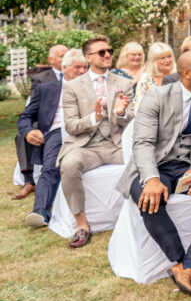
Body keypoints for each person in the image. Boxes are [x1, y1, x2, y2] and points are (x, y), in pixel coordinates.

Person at [115, 50, 191, 295]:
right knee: (148, 197)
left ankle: (190, 264)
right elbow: (143, 143)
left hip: (190, 165)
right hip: (154, 166)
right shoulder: (156, 97)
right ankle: (180, 261)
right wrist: (152, 179)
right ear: (185, 73)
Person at [58, 36, 135, 249]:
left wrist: (120, 114)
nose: (108, 54)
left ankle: (138, 215)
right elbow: (71, 126)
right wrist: (94, 118)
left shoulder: (124, 83)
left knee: (144, 160)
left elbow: (129, 119)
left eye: (109, 51)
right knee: (68, 164)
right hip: (86, 146)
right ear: (88, 57)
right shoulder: (72, 87)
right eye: (102, 52)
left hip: (116, 144)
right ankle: (81, 224)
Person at [19, 49, 89, 228]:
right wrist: (28, 132)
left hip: (88, 130)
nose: (82, 72)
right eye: (77, 68)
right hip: (59, 131)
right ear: (64, 68)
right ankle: (41, 210)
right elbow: (25, 116)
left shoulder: (93, 86)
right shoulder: (47, 90)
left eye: (85, 68)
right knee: (51, 165)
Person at [13, 44, 67, 200]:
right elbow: (35, 106)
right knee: (23, 134)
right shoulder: (40, 79)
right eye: (62, 55)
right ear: (51, 60)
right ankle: (29, 180)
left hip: (68, 120)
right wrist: (30, 130)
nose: (66, 58)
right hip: (45, 119)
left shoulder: (77, 75)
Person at [134, 42, 176, 114]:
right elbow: (138, 107)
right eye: (162, 58)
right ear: (154, 61)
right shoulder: (146, 79)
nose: (167, 61)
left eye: (169, 56)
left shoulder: (179, 76)